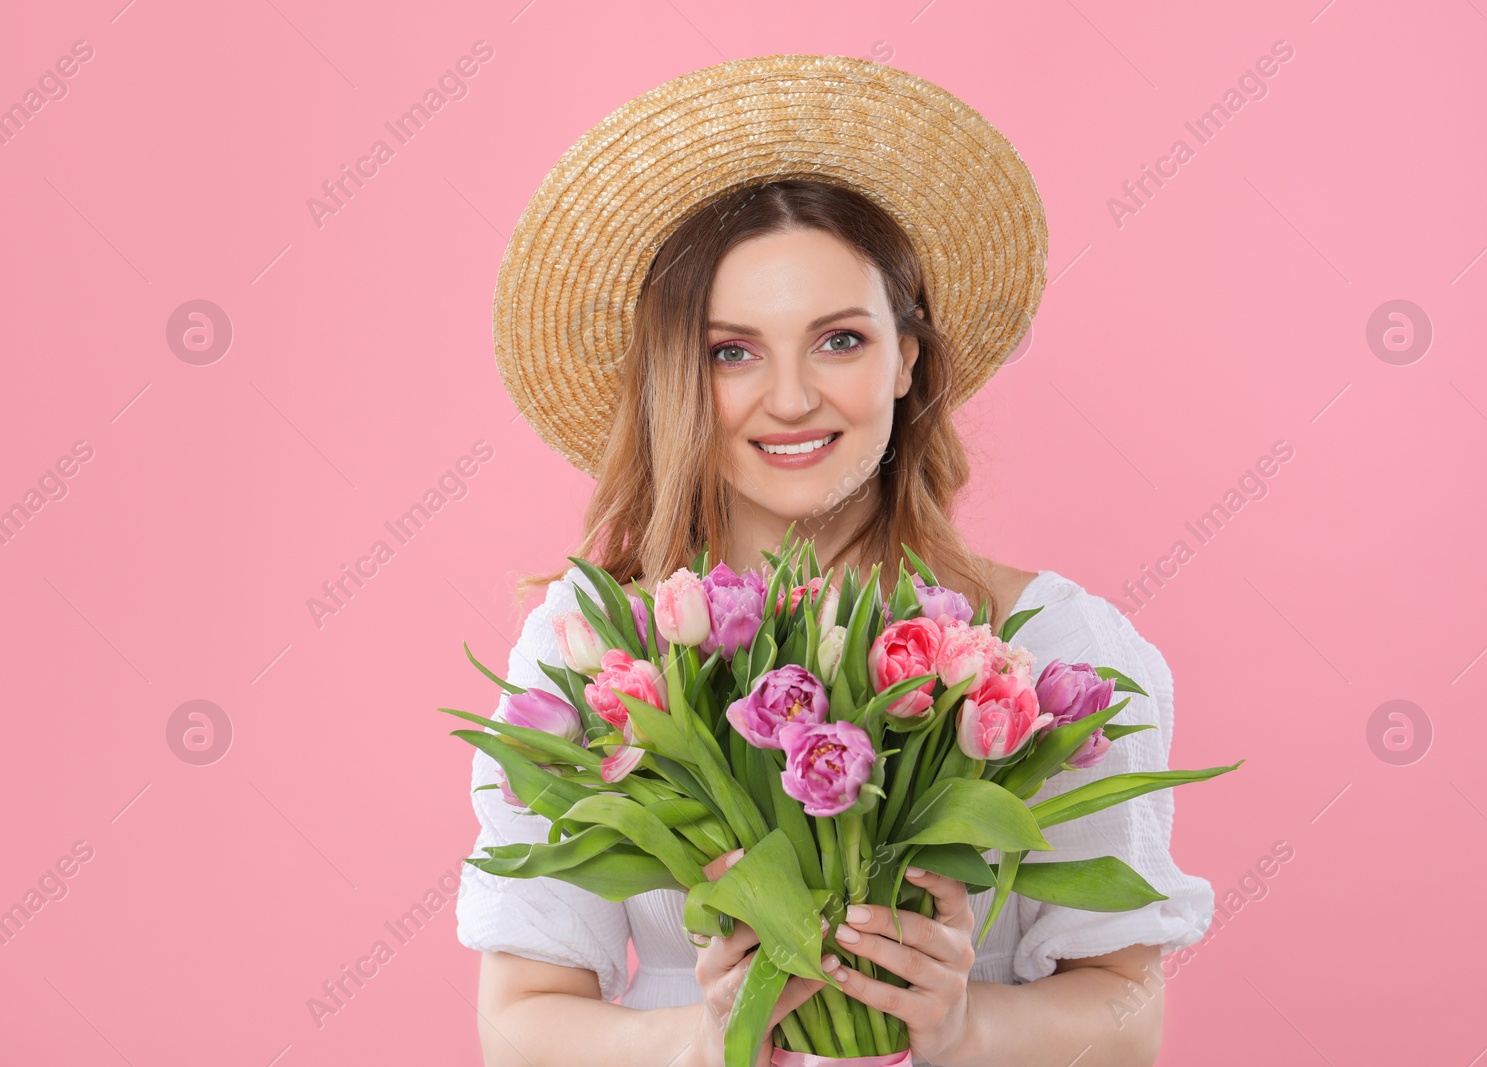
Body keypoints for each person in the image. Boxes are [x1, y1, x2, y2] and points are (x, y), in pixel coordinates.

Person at [457, 55, 1214, 1067]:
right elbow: (518, 1022)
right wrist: (708, 1036)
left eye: (839, 340)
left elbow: (1127, 1014)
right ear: (678, 377)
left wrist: (959, 1022)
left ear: (907, 355)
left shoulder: (1048, 645)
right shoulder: (591, 653)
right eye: (731, 351)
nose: (790, 398)